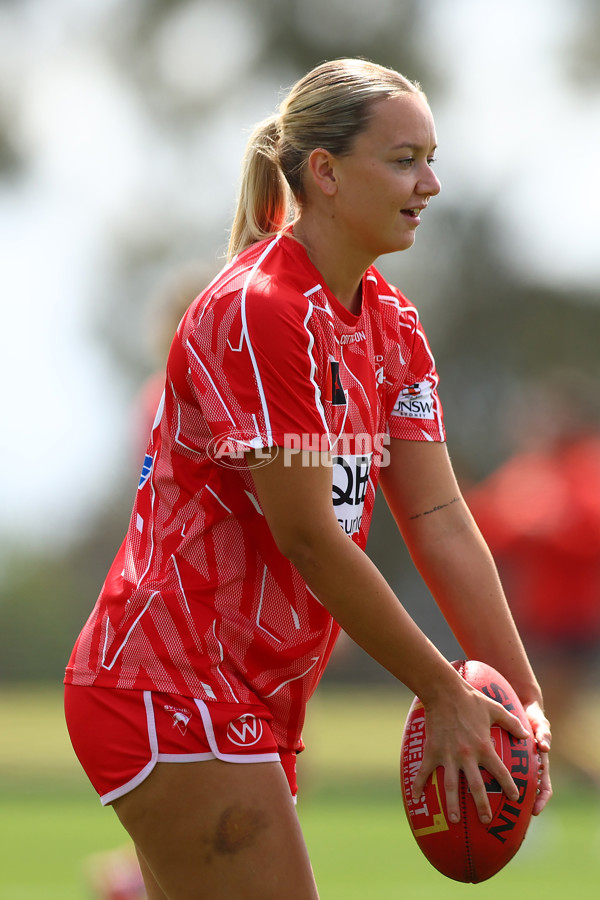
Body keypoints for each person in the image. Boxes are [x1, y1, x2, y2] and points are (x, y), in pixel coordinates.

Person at [64, 58, 552, 900]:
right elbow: (310, 541)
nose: (430, 183)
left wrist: (523, 705)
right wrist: (443, 691)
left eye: (432, 157)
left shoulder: (391, 323)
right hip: (169, 682)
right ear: (323, 172)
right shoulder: (264, 310)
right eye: (404, 159)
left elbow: (437, 516)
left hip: (246, 697)